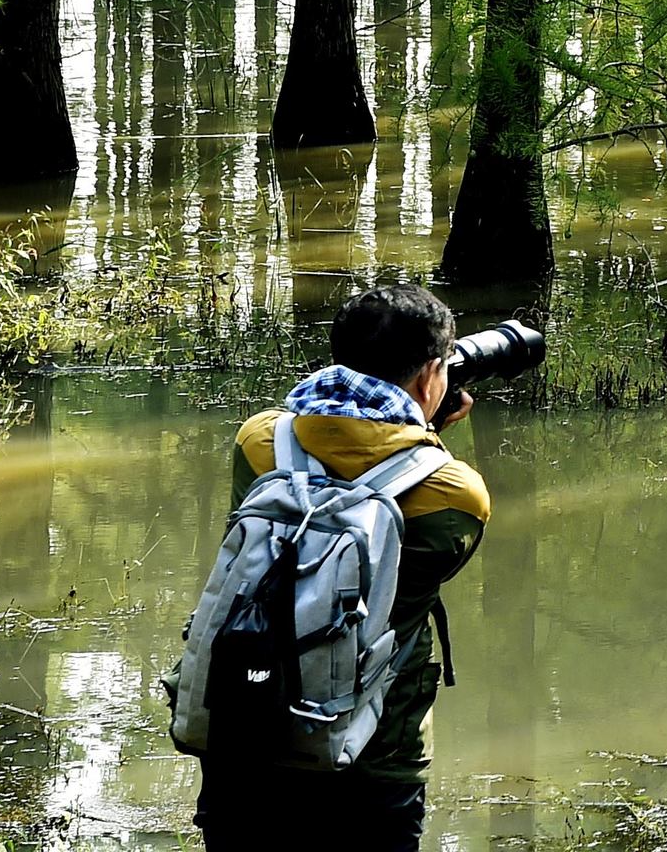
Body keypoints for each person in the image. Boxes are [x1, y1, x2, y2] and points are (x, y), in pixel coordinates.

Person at [195, 281, 491, 852]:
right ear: (433, 374)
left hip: (243, 733)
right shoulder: (455, 494)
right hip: (371, 757)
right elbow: (420, 564)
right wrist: (426, 435)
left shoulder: (259, 441)